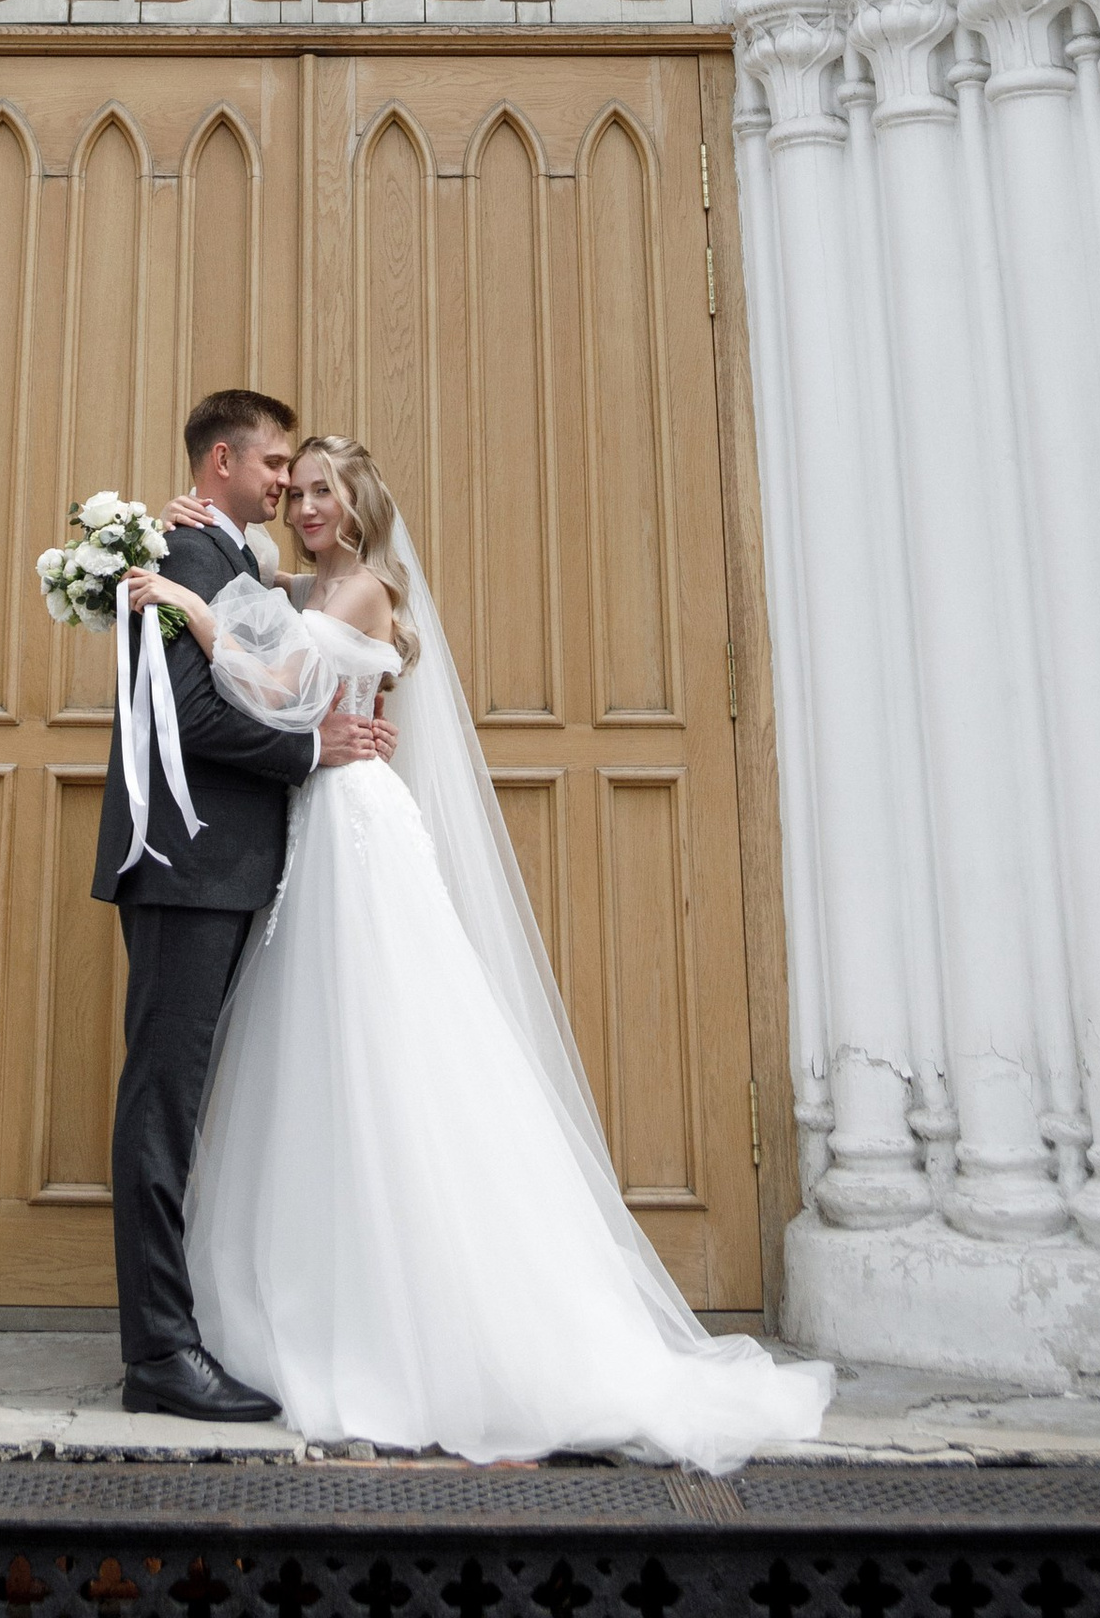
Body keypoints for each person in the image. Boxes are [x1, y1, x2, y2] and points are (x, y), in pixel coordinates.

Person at [125, 434, 835, 1469]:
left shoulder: (361, 590)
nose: (305, 503)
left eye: (323, 490)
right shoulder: (302, 580)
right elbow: (259, 581)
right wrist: (191, 527)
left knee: (389, 1050)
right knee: (319, 1061)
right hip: (314, 827)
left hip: (354, 826)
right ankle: (322, 1301)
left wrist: (185, 607)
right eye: (298, 487)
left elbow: (273, 678)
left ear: (359, 505)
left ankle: (439, 1330)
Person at [91, 386, 395, 1423]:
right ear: (222, 461)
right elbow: (188, 715)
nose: (286, 488)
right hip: (188, 864)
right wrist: (311, 748)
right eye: (275, 470)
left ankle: (189, 1334)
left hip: (227, 865)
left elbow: (267, 654)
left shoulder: (232, 561)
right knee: (162, 1106)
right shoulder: (185, 556)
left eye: (304, 480)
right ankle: (161, 1356)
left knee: (183, 1103)